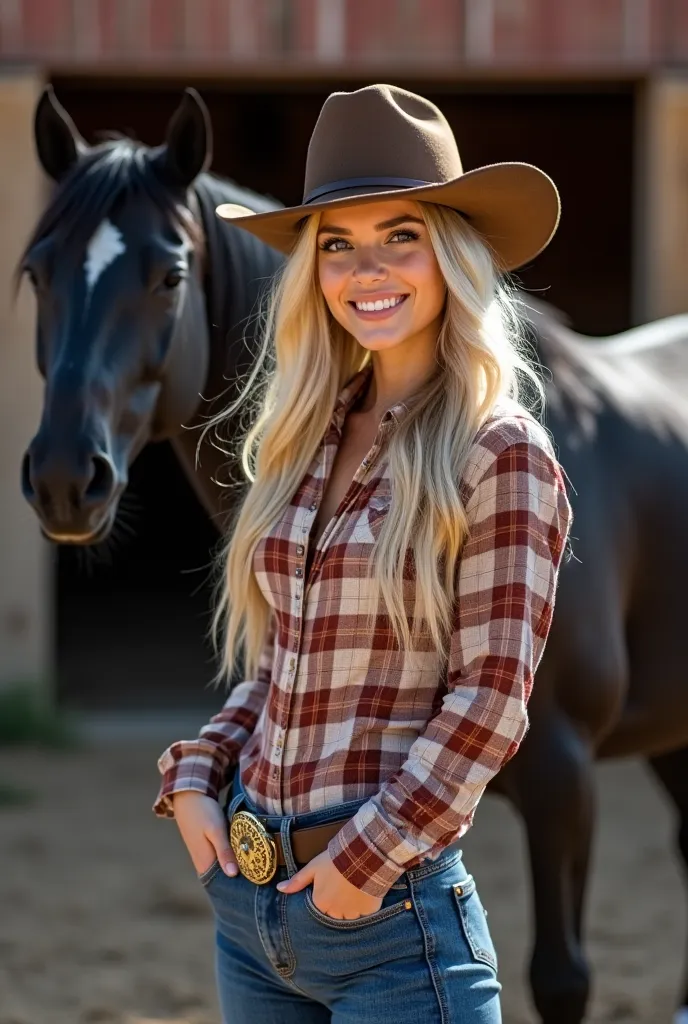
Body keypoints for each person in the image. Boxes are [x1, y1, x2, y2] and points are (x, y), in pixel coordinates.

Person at [153, 83, 572, 1023]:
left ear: (451, 253)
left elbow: (491, 698)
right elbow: (282, 664)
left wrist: (366, 860)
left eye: (400, 236)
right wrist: (195, 775)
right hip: (250, 915)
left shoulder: (498, 451)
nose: (364, 269)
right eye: (337, 243)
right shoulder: (306, 437)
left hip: (388, 924)